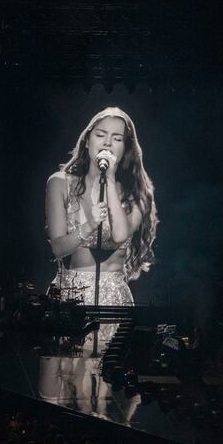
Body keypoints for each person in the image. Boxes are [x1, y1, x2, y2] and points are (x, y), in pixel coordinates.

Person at [45, 107, 158, 307]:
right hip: (70, 300)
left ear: (125, 149)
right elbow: (58, 248)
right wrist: (89, 225)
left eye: (117, 138)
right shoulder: (59, 183)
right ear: (87, 140)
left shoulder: (136, 193)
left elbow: (120, 235)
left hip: (113, 301)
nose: (107, 142)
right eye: (100, 135)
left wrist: (111, 179)